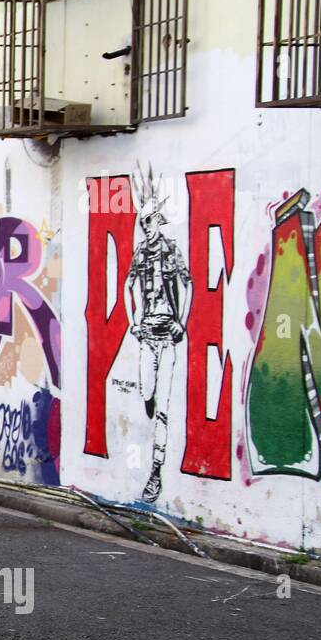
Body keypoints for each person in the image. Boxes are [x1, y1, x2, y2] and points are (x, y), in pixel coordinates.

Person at [125, 168, 192, 504]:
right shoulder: (140, 253)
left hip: (167, 336)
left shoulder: (170, 250)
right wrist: (132, 320)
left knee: (162, 408)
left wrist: (182, 320)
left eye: (150, 221)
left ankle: (155, 471)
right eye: (143, 222)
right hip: (146, 333)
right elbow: (126, 286)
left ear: (158, 222)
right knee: (146, 392)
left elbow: (188, 282)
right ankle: (149, 398)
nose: (147, 228)